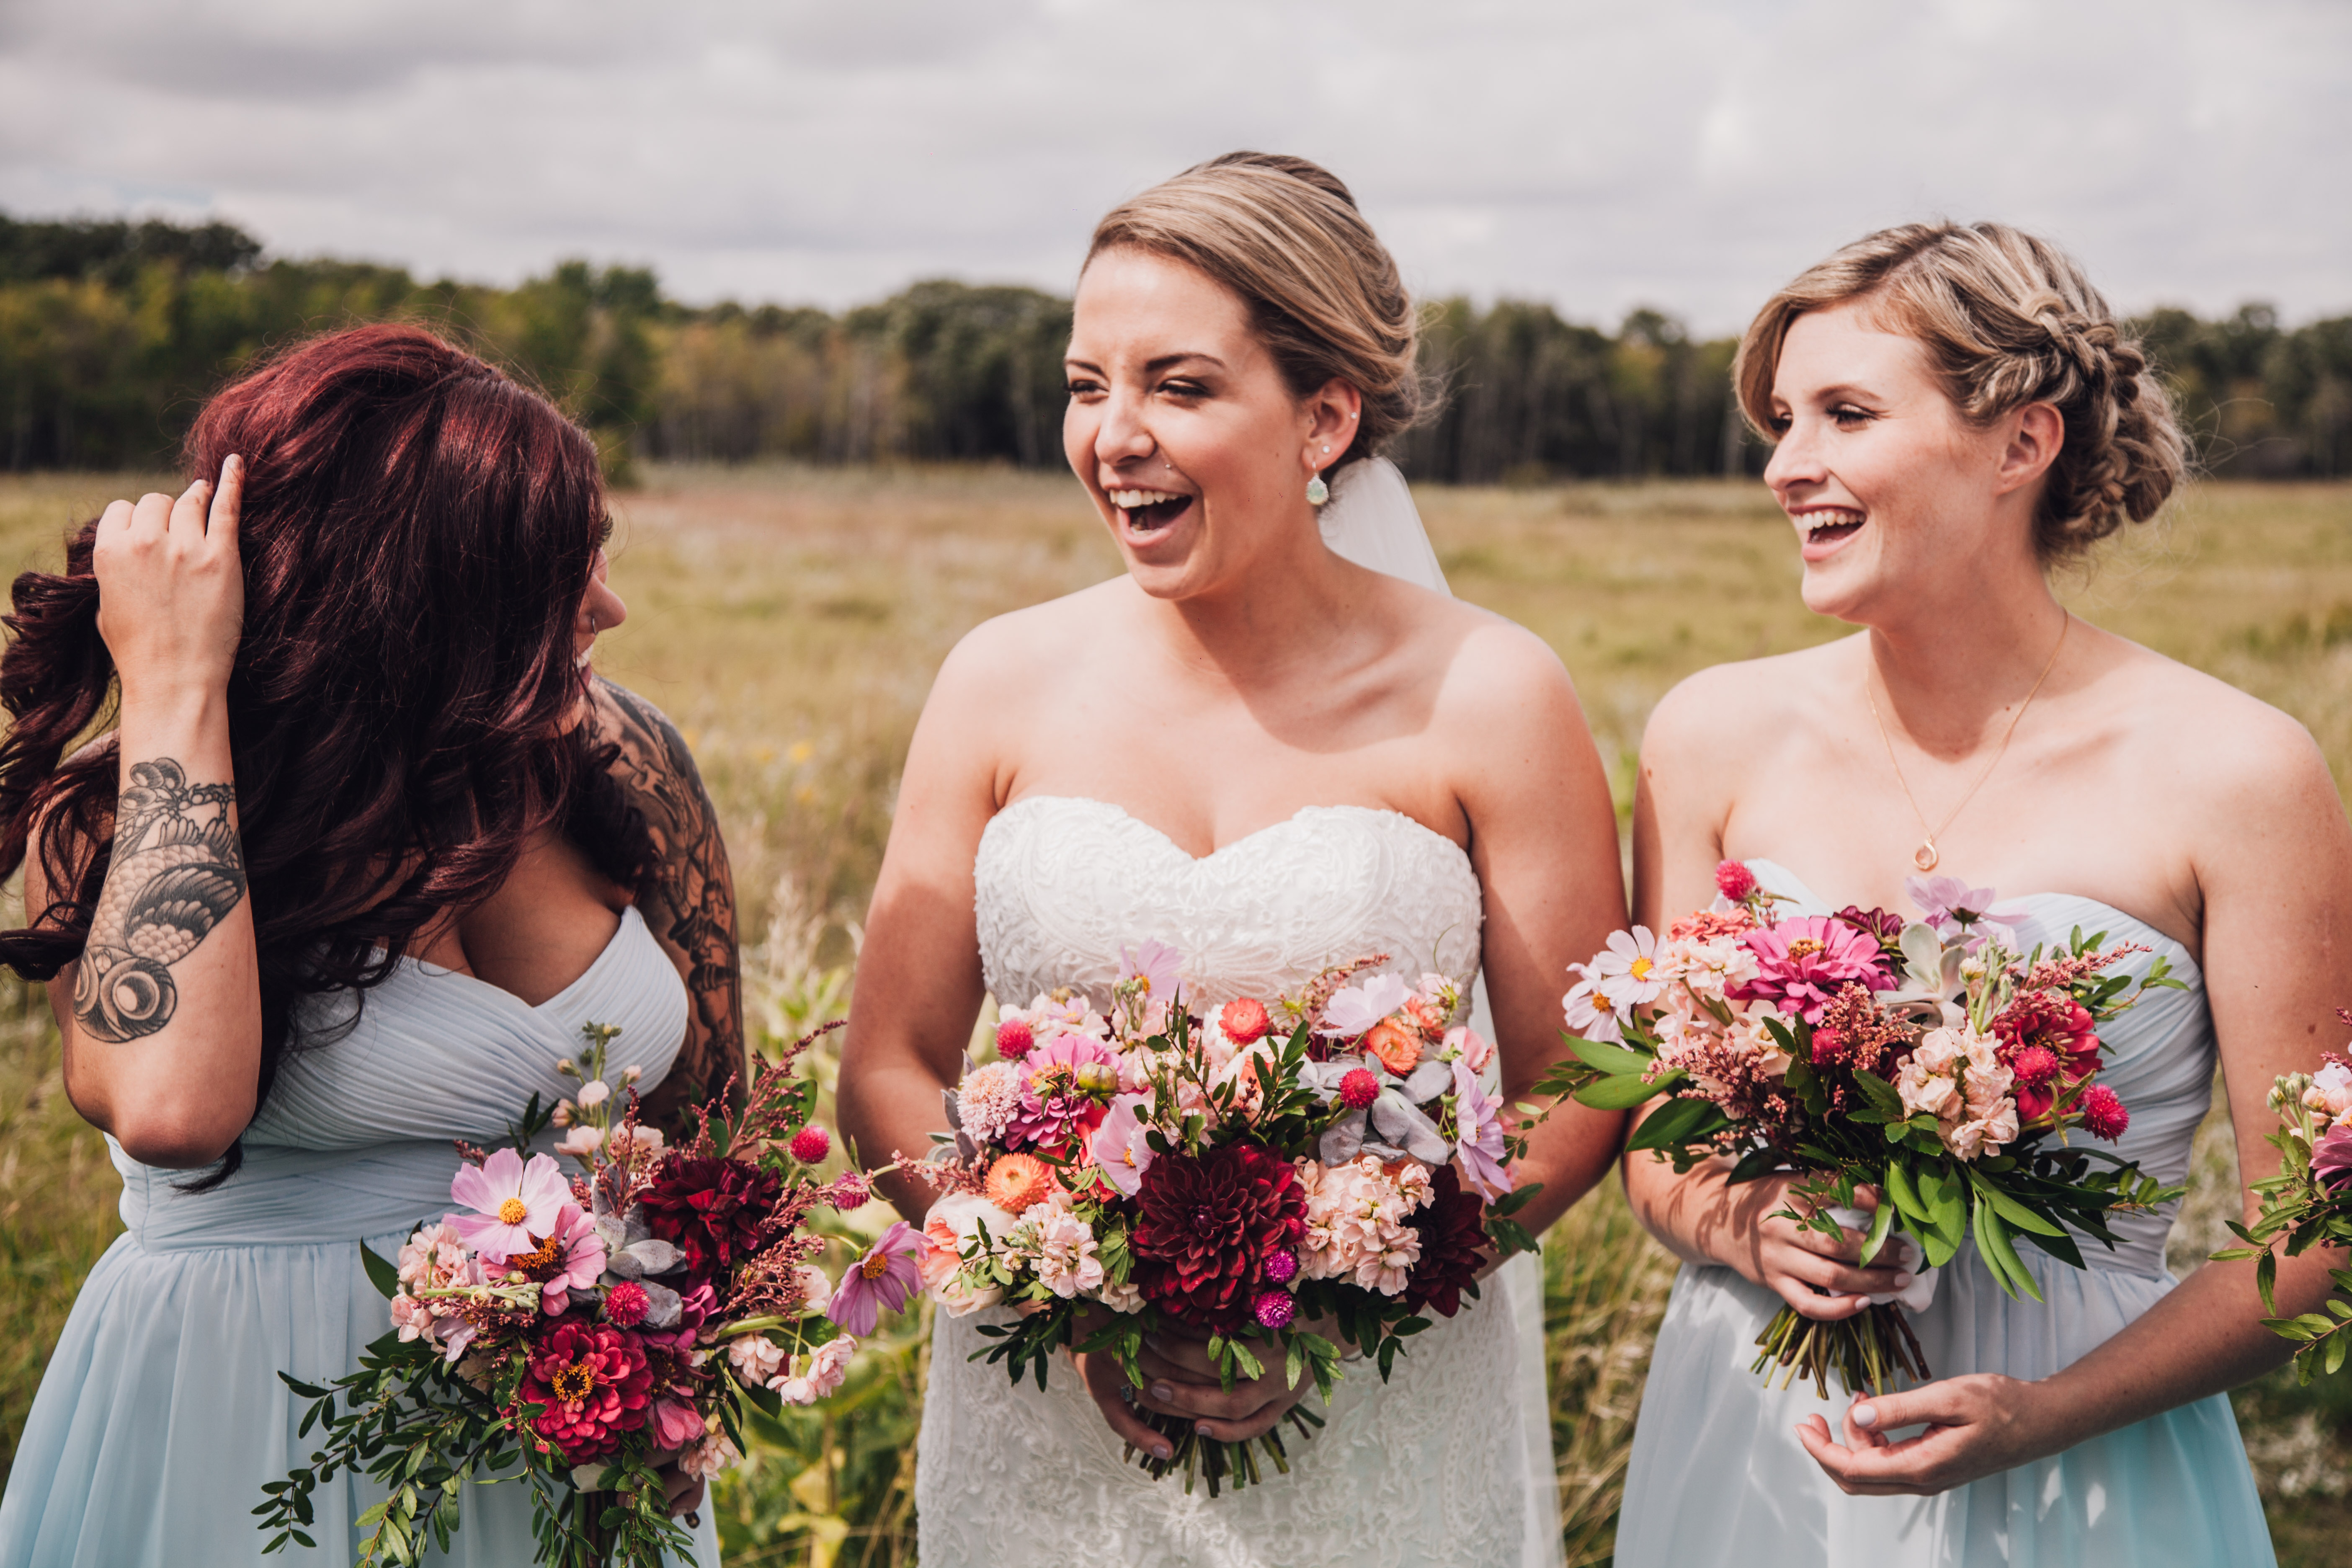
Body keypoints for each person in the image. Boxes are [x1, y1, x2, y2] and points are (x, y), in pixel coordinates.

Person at [836, 151, 1627, 1568]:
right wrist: (1059, 1291)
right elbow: (890, 1058)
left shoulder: (1495, 694)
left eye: (1179, 387)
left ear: (1325, 417)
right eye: (1089, 385)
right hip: (1049, 1441)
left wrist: (1349, 1294)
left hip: (1379, 1406)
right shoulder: (998, 680)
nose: (1115, 436)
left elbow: (1580, 1082)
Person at [1614, 221, 2346, 1566]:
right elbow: (1658, 1131)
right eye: (1783, 421)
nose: (1788, 467)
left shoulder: (2238, 772)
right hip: (1759, 1433)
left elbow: (2324, 1229)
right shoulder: (1710, 733)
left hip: (2089, 1461)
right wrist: (1749, 1221)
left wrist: (2049, 1411)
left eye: (1845, 413)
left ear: (2024, 443)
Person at [0, 323, 741, 1567]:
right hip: (250, 1423)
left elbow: (710, 1118)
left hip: (575, 1432)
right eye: (561, 574)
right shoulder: (137, 813)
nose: (611, 606)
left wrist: (667, 1360)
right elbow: (172, 1110)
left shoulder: (620, 760)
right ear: (422, 600)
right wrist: (178, 689)